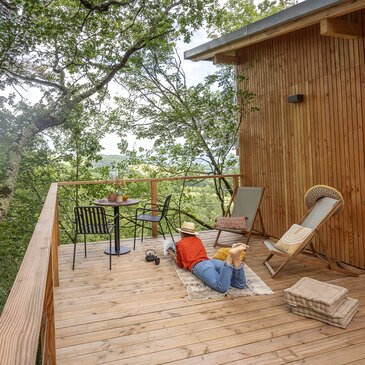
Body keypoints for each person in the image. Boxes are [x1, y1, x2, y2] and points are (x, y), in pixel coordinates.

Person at [167, 221, 247, 293]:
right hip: (212, 262)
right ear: (193, 233)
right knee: (239, 284)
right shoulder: (198, 240)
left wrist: (174, 256)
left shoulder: (180, 243)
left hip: (200, 266)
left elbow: (180, 264)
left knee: (221, 287)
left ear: (182, 234)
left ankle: (230, 256)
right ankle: (236, 259)